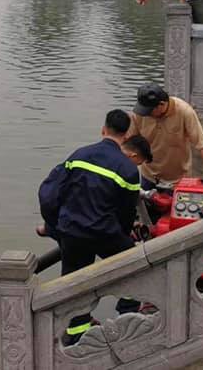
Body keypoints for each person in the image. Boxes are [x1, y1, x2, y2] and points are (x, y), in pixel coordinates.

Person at [37, 109, 142, 346]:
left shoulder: (78, 156)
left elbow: (49, 193)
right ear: (126, 136)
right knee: (135, 266)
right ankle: (127, 317)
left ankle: (76, 333)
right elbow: (126, 212)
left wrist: (54, 226)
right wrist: (122, 233)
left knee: (75, 281)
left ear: (103, 130)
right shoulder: (127, 169)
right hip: (105, 233)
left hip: (73, 233)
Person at [128, 83, 203, 191]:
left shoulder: (184, 112)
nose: (145, 114)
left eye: (148, 111)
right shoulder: (141, 114)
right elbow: (130, 142)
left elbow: (201, 143)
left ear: (161, 104)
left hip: (177, 180)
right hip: (149, 176)